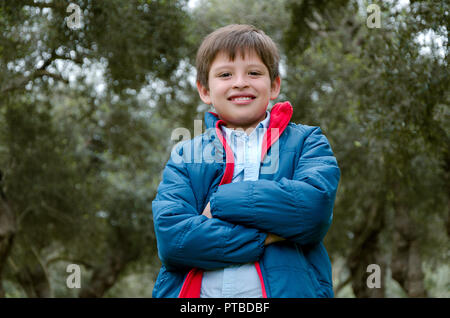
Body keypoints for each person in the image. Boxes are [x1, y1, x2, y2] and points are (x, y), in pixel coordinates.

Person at [152, 24, 340, 298]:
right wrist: (268, 234)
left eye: (254, 73)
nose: (240, 82)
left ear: (274, 85)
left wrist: (217, 203)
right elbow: (174, 242)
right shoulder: (186, 155)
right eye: (225, 74)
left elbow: (312, 210)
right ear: (205, 90)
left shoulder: (307, 141)